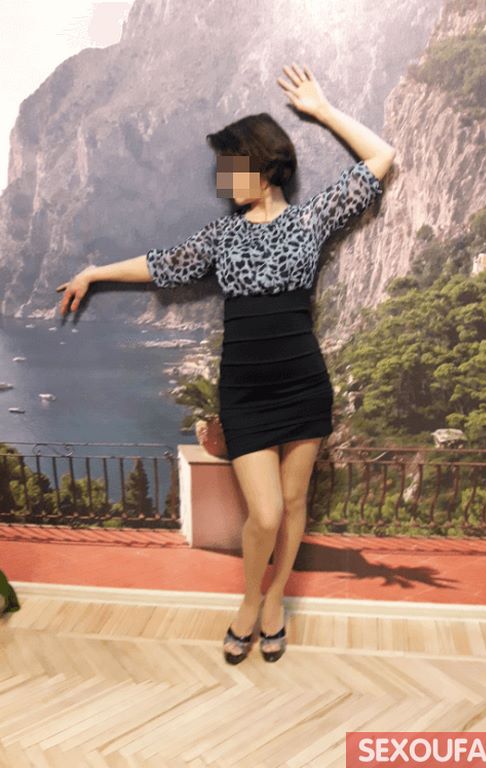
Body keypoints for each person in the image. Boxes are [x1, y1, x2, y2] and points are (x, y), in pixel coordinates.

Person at [56, 62, 396, 664]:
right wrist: (95, 272)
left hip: (304, 385)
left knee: (294, 506)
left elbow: (382, 156)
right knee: (265, 513)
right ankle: (249, 600)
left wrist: (321, 110)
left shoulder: (311, 219)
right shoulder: (222, 237)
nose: (221, 179)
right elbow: (161, 264)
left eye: (230, 166)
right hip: (245, 394)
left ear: (263, 167)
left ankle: (276, 600)